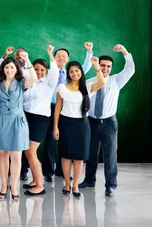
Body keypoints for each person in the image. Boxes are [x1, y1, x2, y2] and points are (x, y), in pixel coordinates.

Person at [79, 44, 135, 197]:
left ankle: (110, 185)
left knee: (110, 155)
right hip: (91, 122)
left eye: (108, 66)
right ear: (98, 65)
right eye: (102, 65)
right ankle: (89, 180)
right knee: (90, 154)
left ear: (111, 68)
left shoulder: (116, 81)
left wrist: (124, 51)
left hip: (109, 124)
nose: (105, 68)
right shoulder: (90, 81)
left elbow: (130, 69)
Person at [53, 58, 104, 198]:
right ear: (68, 74)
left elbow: (102, 81)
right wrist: (55, 126)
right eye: (71, 71)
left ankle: (75, 184)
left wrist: (95, 66)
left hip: (82, 125)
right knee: (65, 156)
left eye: (77, 70)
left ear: (81, 72)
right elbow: (58, 107)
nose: (74, 73)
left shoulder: (87, 87)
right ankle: (67, 184)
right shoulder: (62, 87)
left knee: (80, 157)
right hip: (65, 124)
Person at [0, 53, 37, 202]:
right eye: (6, 67)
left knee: (16, 156)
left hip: (18, 122)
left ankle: (14, 187)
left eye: (12, 67)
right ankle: (4, 185)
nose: (9, 70)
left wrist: (28, 59)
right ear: (3, 69)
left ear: (16, 69)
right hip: (1, 121)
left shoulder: (22, 82)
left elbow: (34, 78)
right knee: (3, 155)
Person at [42, 43, 93, 181]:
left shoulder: (70, 75)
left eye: (64, 56)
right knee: (50, 139)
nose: (61, 58)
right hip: (48, 107)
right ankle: (48, 172)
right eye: (58, 56)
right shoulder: (48, 72)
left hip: (65, 110)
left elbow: (85, 67)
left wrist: (89, 52)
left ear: (67, 59)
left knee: (64, 141)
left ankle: (60, 171)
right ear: (54, 57)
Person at [21, 45, 59, 196]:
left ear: (46, 71)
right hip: (26, 117)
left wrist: (50, 54)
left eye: (42, 70)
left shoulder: (49, 84)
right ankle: (35, 180)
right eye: (36, 69)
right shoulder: (29, 83)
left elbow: (55, 72)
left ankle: (40, 185)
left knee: (31, 151)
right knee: (27, 151)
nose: (39, 72)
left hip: (40, 119)